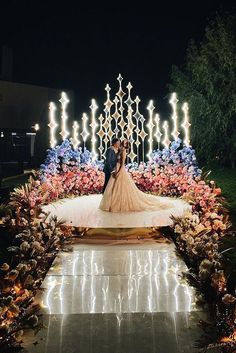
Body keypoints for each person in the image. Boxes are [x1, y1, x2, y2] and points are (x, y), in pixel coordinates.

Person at [99, 139, 171, 212]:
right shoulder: (114, 150)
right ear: (115, 143)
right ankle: (108, 201)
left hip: (119, 169)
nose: (119, 144)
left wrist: (118, 171)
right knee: (109, 185)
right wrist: (113, 170)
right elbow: (109, 161)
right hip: (112, 169)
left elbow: (122, 163)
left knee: (115, 186)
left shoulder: (122, 151)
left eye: (121, 143)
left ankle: (114, 201)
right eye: (119, 143)